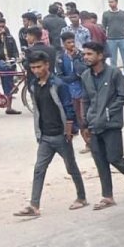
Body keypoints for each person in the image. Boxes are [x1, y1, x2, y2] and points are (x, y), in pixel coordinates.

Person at [12, 51, 89, 218]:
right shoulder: (34, 86)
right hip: (45, 137)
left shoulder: (58, 85)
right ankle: (34, 205)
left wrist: (69, 130)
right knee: (39, 169)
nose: (36, 70)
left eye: (39, 66)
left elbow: (68, 108)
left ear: (47, 65)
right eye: (32, 67)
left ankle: (82, 197)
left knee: (71, 168)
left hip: (61, 136)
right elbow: (37, 110)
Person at [79, 41, 124, 210]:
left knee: (114, 157)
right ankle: (107, 197)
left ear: (100, 56)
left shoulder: (114, 73)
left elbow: (123, 96)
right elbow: (85, 100)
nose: (86, 57)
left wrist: (108, 112)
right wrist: (84, 123)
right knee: (100, 161)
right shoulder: (85, 76)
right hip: (93, 125)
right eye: (84, 54)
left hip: (111, 124)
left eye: (89, 54)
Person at [102, 0, 124, 84]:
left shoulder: (123, 13)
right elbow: (103, 27)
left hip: (122, 39)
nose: (110, 4)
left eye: (112, 2)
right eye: (109, 2)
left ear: (116, 2)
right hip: (111, 39)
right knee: (113, 60)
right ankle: (114, 78)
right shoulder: (106, 14)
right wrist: (104, 39)